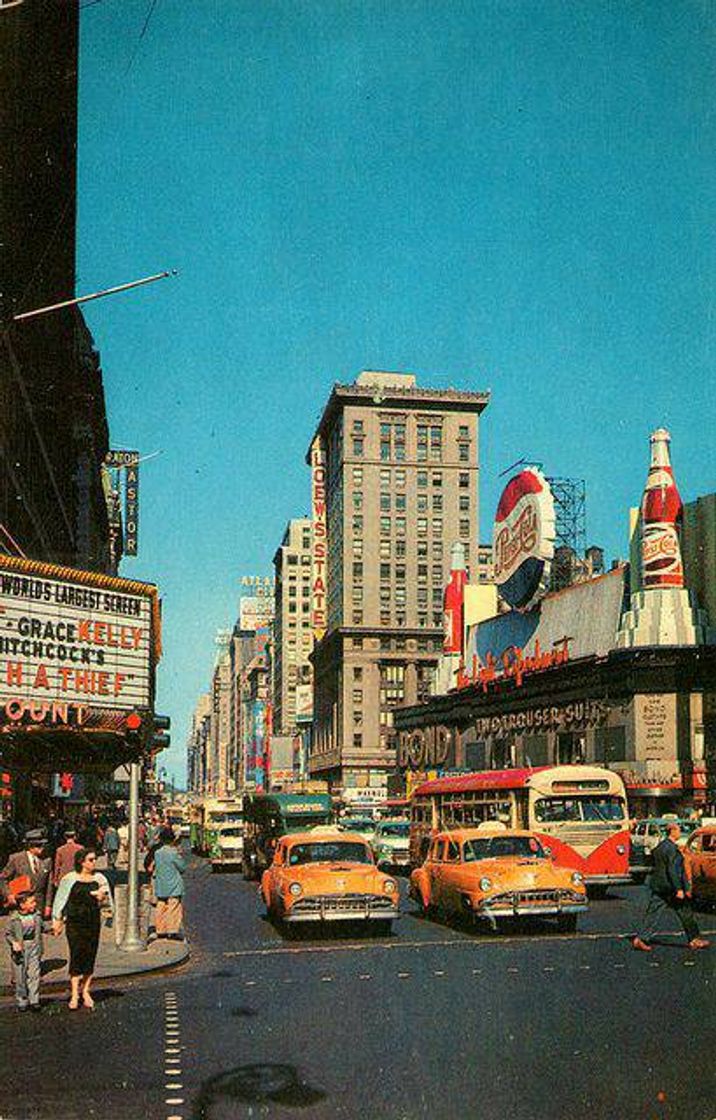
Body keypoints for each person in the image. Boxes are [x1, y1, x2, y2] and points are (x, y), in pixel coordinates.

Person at [632, 822, 710, 952]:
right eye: (678, 830)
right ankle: (694, 939)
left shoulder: (661, 846)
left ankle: (641, 938)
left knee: (654, 913)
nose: (679, 833)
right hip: (670, 887)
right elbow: (673, 870)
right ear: (672, 831)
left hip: (660, 886)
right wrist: (679, 889)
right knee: (685, 911)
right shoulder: (672, 849)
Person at [52, 848, 113, 1010]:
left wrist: (102, 898)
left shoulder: (99, 878)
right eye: (91, 860)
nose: (94, 863)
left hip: (92, 922)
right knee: (76, 954)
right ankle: (74, 993)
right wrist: (57, 920)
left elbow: (107, 902)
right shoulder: (70, 879)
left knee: (90, 954)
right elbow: (60, 901)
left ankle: (86, 990)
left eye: (94, 859)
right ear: (82, 862)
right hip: (74, 922)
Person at [0, 830, 54, 919]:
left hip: (38, 906)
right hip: (19, 906)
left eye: (42, 845)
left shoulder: (47, 860)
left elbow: (49, 886)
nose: (42, 848)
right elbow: (3, 879)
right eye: (38, 845)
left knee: (36, 931)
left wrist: (48, 905)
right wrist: (8, 895)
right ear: (30, 846)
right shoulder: (16, 859)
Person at [5, 890, 43, 1012]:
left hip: (34, 946)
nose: (35, 904)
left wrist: (53, 929)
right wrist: (14, 943)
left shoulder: (36, 915)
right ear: (22, 905)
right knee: (20, 977)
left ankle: (34, 1000)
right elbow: (8, 934)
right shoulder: (14, 918)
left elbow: (41, 927)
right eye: (31, 902)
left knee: (34, 974)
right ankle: (22, 999)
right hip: (20, 950)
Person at [152, 827, 187, 941]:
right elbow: (182, 867)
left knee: (160, 906)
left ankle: (160, 930)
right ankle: (172, 931)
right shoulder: (173, 852)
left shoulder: (157, 853)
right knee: (174, 906)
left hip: (161, 884)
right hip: (174, 884)